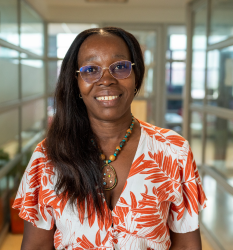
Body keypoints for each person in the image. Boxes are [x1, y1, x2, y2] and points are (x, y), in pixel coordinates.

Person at [13, 27, 207, 250]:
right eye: (91, 69)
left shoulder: (174, 150)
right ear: (76, 82)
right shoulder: (48, 156)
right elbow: (36, 246)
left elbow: (187, 246)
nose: (106, 79)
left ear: (136, 76)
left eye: (120, 67)